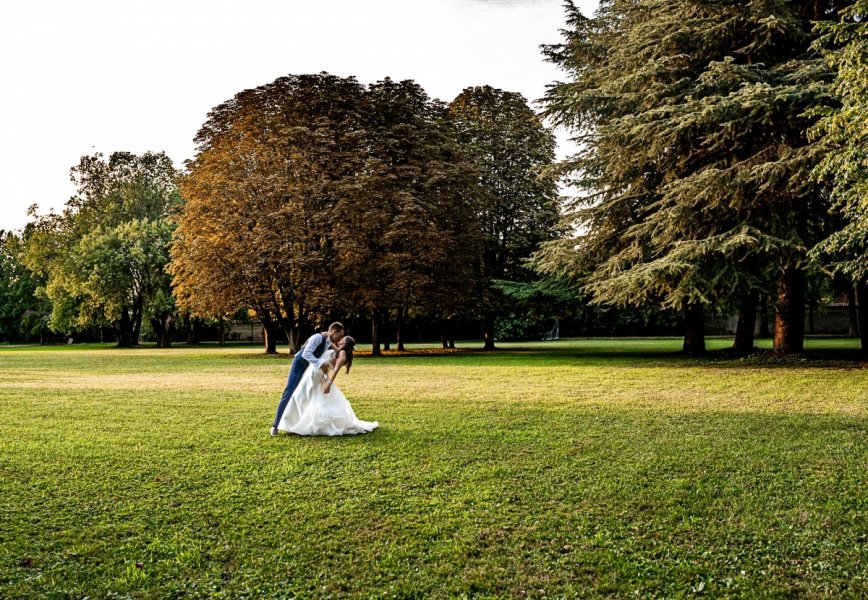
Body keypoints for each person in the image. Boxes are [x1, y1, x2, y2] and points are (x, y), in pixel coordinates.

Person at [276, 336, 378, 436]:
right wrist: (326, 335)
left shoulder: (342, 353)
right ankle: (294, 422)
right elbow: (328, 341)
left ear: (345, 343)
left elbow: (336, 370)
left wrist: (329, 383)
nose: (341, 338)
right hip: (315, 370)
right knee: (305, 395)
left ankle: (293, 423)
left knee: (302, 395)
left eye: (343, 338)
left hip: (316, 373)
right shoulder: (338, 349)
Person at [270, 323, 345, 436]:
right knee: (289, 392)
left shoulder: (328, 342)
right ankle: (275, 426)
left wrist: (348, 348)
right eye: (340, 335)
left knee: (304, 395)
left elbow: (339, 350)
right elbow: (306, 353)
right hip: (299, 365)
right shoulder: (317, 337)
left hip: (310, 369)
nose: (340, 338)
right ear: (334, 332)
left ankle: (297, 424)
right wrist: (320, 364)